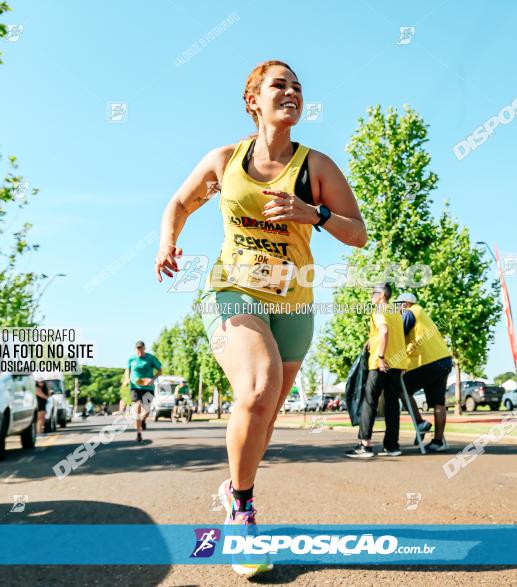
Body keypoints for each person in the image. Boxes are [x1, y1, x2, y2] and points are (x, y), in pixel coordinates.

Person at [153, 60, 366, 577]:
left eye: (298, 86)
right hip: (232, 291)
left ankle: (231, 487)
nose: (291, 92)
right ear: (254, 100)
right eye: (280, 85)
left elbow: (357, 233)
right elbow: (179, 203)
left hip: (294, 301)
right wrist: (168, 243)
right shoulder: (226, 160)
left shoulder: (317, 167)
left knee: (264, 412)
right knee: (257, 387)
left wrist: (311, 213)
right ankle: (242, 514)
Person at [346, 282, 408, 458]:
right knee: (392, 404)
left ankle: (364, 445)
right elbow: (390, 333)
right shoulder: (396, 312)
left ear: (381, 295)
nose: (371, 296)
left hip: (381, 362)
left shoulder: (379, 310)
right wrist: (370, 341)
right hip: (397, 362)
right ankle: (392, 446)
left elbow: (384, 331)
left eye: (373, 293)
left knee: (369, 401)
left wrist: (380, 357)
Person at [395, 292, 452, 452]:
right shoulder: (422, 313)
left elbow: (398, 336)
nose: (396, 309)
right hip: (444, 360)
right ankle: (438, 442)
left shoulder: (410, 312)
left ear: (405, 304)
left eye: (398, 305)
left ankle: (420, 422)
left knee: (401, 389)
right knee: (438, 403)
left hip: (429, 362)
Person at [124, 340, 162, 441]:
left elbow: (160, 370)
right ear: (135, 349)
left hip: (148, 388)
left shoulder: (151, 358)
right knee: (137, 408)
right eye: (138, 348)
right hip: (135, 387)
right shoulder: (131, 359)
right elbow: (127, 370)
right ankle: (139, 433)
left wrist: (152, 379)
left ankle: (142, 420)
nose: (139, 350)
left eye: (141, 348)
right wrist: (127, 379)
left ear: (144, 348)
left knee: (146, 410)